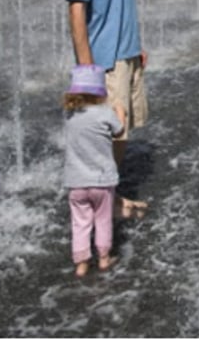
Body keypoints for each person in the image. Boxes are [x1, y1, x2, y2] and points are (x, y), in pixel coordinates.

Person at [65, 0, 149, 214]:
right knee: (109, 132)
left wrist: (136, 45)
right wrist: (87, 69)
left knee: (123, 130)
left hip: (126, 52)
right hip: (104, 59)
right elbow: (76, 10)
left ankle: (107, 194)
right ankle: (104, 202)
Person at [62, 64, 122, 278]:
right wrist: (120, 113)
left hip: (76, 182)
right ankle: (104, 258)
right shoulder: (105, 114)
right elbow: (119, 130)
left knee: (80, 223)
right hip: (102, 181)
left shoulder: (70, 117)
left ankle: (81, 263)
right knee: (103, 219)